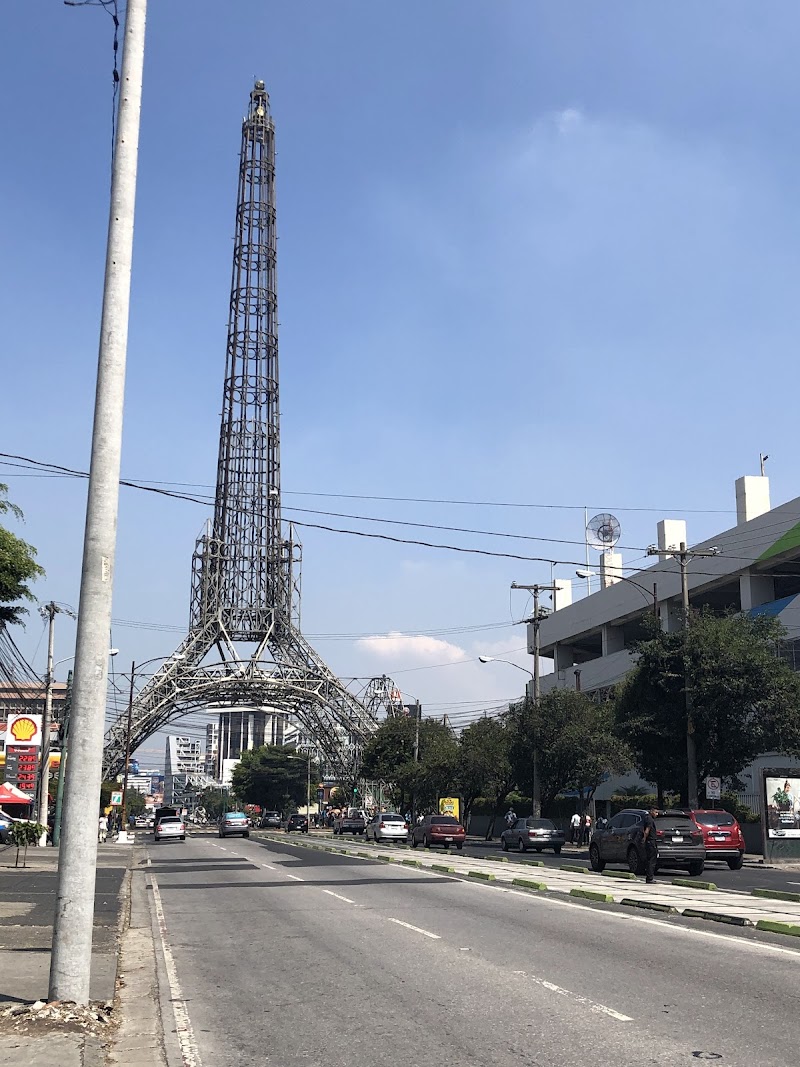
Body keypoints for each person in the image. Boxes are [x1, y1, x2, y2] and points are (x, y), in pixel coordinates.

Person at [641, 806, 659, 883]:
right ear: (651, 811)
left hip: (650, 841)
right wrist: (644, 839)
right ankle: (650, 878)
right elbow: (647, 830)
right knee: (652, 860)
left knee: (650, 859)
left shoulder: (647, 818)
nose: (657, 814)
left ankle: (649, 877)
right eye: (656, 812)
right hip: (651, 841)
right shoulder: (649, 819)